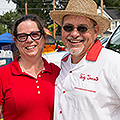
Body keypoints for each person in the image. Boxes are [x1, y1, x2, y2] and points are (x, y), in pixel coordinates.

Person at [50, 0, 120, 120]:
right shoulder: (63, 62)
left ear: (95, 31)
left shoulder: (112, 62)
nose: (74, 34)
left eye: (82, 28)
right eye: (68, 27)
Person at [0, 14, 60, 120]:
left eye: (35, 34)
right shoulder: (3, 74)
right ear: (16, 42)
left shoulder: (57, 72)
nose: (29, 40)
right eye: (22, 36)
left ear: (44, 38)